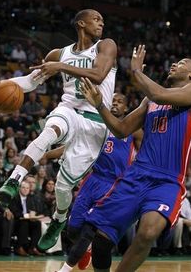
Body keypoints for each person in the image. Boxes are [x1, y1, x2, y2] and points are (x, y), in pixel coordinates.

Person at [0, 9, 117, 251]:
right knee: (49, 131)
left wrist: (60, 67)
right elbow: (29, 82)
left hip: (96, 123)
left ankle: (59, 219)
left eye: (102, 19)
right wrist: (1, 84)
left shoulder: (106, 46)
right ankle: (13, 181)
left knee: (63, 187)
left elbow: (98, 75)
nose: (101, 22)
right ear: (81, 23)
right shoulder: (59, 54)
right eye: (96, 19)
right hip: (69, 110)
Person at [79, 44, 191, 272]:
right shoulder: (150, 102)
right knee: (100, 241)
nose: (174, 64)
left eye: (181, 63)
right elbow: (121, 129)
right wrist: (100, 104)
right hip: (135, 175)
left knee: (148, 232)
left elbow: (159, 92)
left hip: (167, 181)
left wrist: (137, 71)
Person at [51, 93, 142, 272]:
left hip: (113, 185)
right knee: (73, 229)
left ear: (126, 108)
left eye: (120, 102)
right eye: (113, 100)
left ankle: (65, 269)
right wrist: (45, 155)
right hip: (92, 180)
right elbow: (72, 146)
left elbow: (147, 154)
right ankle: (87, 248)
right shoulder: (97, 124)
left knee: (89, 229)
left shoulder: (133, 130)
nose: (115, 103)